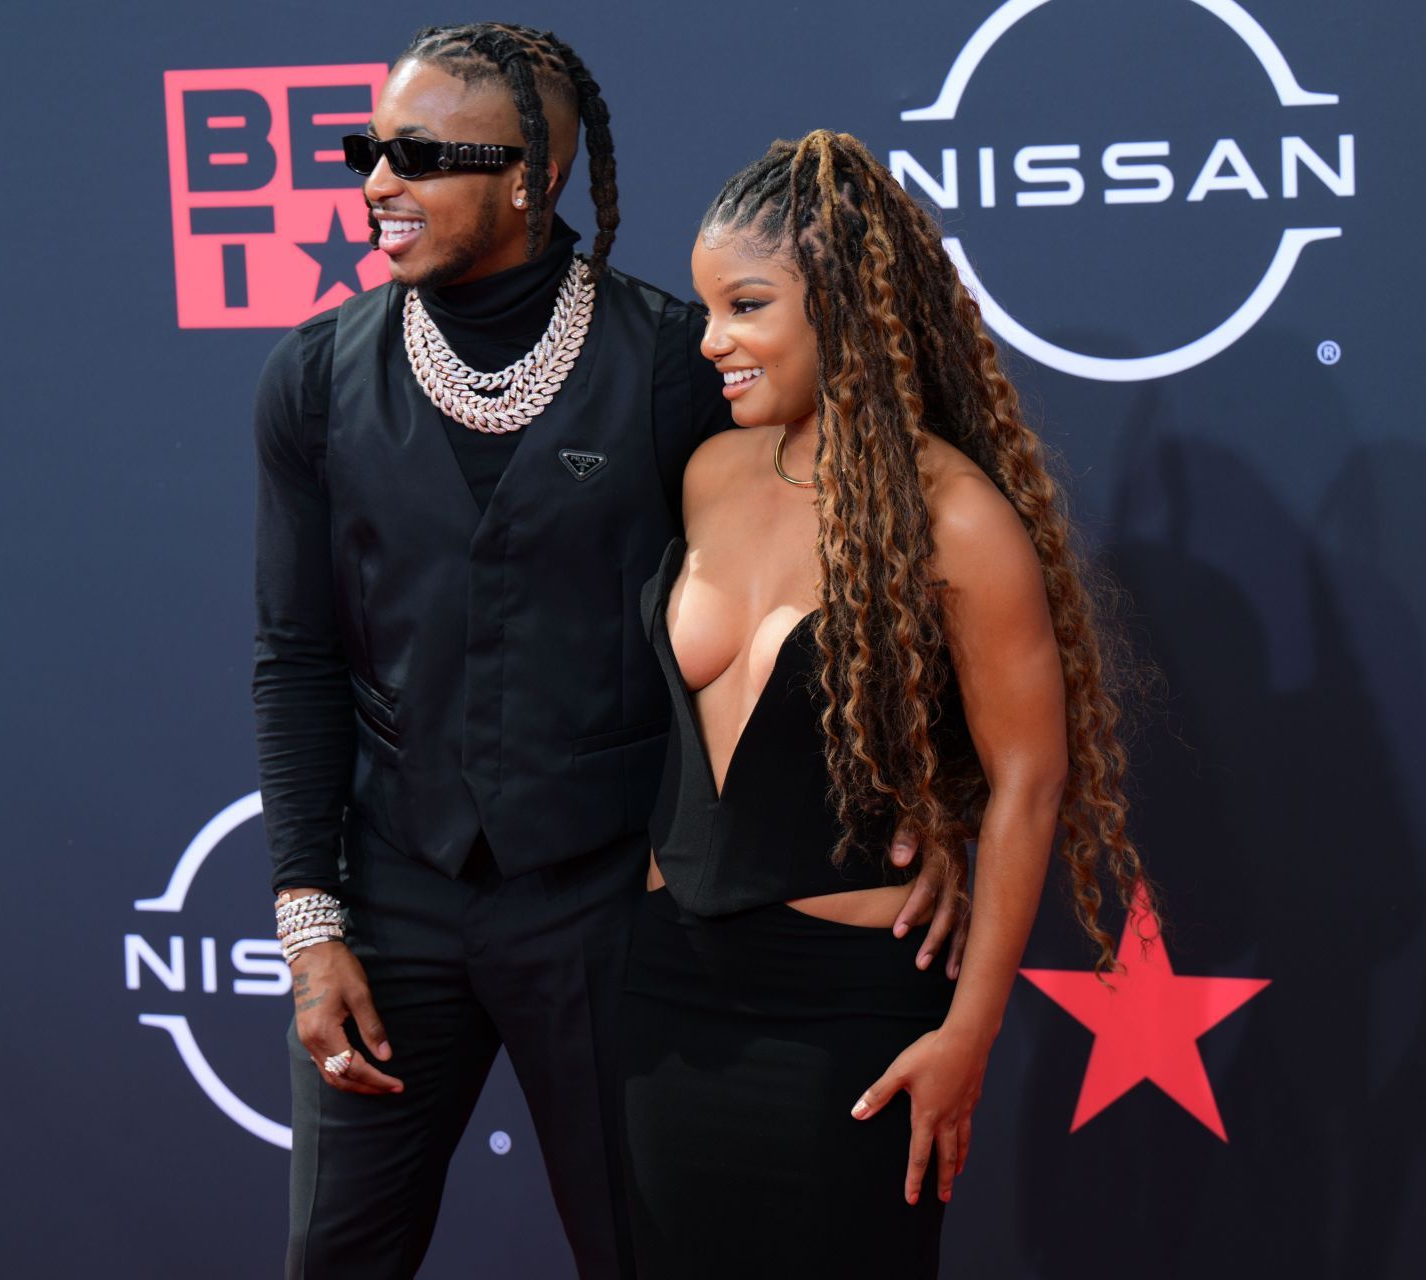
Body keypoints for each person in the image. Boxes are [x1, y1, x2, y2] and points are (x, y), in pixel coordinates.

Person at [253, 28, 962, 1279]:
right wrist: (312, 925)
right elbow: (294, 654)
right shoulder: (313, 379)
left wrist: (928, 801)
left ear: (529, 176)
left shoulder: (676, 365)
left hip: (617, 911)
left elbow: (870, 564)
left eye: (419, 154)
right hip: (391, 902)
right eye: (370, 149)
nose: (376, 180)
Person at [619, 130, 1155, 1278]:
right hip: (663, 994)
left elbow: (1032, 778)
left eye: (746, 306)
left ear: (849, 305)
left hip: (844, 1018)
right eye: (709, 307)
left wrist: (969, 1029)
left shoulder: (957, 518)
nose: (712, 341)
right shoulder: (712, 471)